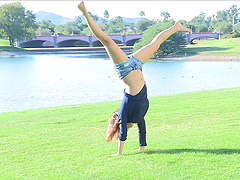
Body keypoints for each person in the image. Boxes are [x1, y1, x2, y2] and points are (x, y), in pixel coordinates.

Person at [78, 1, 191, 156]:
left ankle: (85, 13)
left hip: (126, 70)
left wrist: (119, 153)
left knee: (107, 41)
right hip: (137, 65)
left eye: (128, 126)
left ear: (118, 120)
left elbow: (123, 129)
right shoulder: (139, 116)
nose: (131, 126)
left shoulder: (125, 110)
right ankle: (176, 27)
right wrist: (142, 147)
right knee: (156, 43)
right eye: (132, 126)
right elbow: (142, 129)